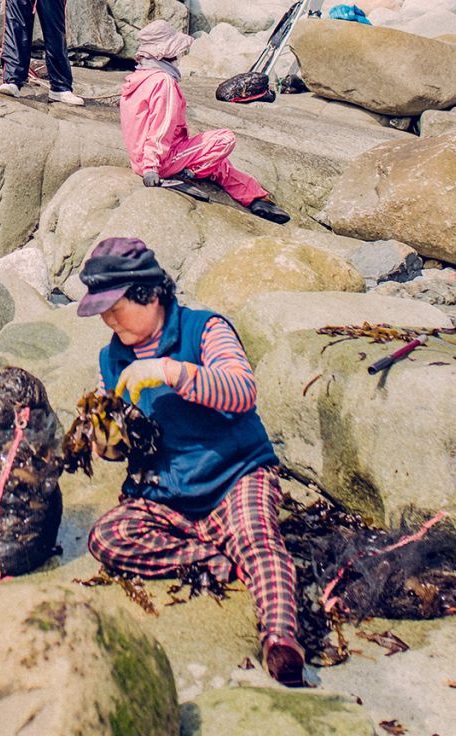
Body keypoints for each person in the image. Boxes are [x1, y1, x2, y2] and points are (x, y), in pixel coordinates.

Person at [78, 237, 305, 686]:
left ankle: (280, 639)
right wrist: (109, 444)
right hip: (167, 494)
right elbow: (130, 442)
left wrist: (169, 371)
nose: (106, 317)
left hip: (235, 476)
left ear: (151, 294)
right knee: (107, 537)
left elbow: (242, 390)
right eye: (100, 308)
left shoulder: (206, 330)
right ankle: (218, 558)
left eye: (114, 306)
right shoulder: (111, 357)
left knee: (259, 538)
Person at [120, 19, 290, 223]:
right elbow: (160, 128)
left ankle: (256, 198)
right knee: (224, 139)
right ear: (168, 54)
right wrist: (151, 168)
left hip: (144, 157)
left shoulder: (140, 77)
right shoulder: (163, 82)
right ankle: (188, 173)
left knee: (219, 164)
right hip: (159, 161)